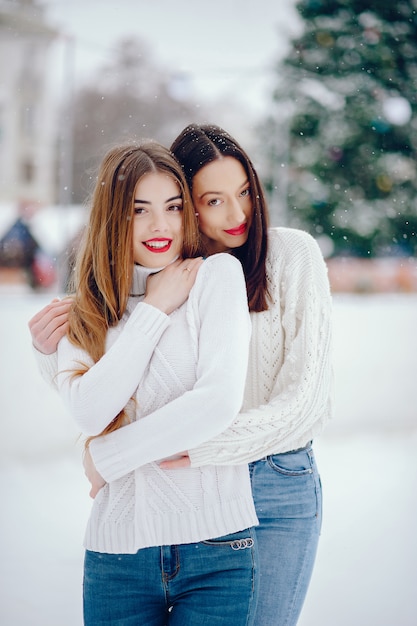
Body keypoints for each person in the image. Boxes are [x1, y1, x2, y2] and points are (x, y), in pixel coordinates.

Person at [30, 124, 333, 626]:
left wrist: (147, 453)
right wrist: (51, 351)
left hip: (273, 477)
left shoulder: (286, 256)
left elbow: (304, 402)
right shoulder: (159, 278)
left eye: (244, 194)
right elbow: (116, 396)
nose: (236, 215)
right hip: (182, 474)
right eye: (212, 200)